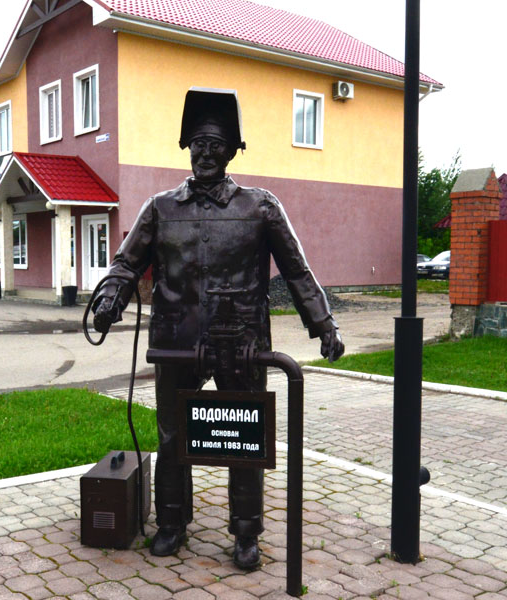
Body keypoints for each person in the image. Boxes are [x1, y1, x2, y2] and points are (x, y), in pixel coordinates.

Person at [92, 87, 344, 569]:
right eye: (198, 145)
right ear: (187, 148)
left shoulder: (261, 206)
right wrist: (108, 301)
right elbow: (126, 264)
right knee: (172, 437)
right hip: (176, 340)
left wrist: (323, 324)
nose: (205, 154)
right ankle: (171, 522)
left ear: (232, 151)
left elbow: (296, 270)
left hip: (242, 342)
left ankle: (246, 532)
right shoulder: (160, 208)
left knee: (244, 438)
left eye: (215, 145)